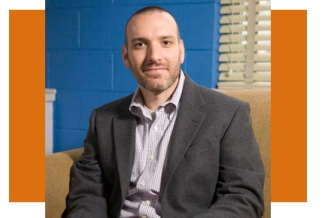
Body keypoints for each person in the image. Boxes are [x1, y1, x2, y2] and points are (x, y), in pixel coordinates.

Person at [63, 5, 265, 218]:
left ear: (181, 51)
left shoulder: (229, 113)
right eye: (140, 44)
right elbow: (87, 193)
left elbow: (243, 197)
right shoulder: (103, 119)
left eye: (165, 42)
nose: (154, 56)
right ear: (126, 56)